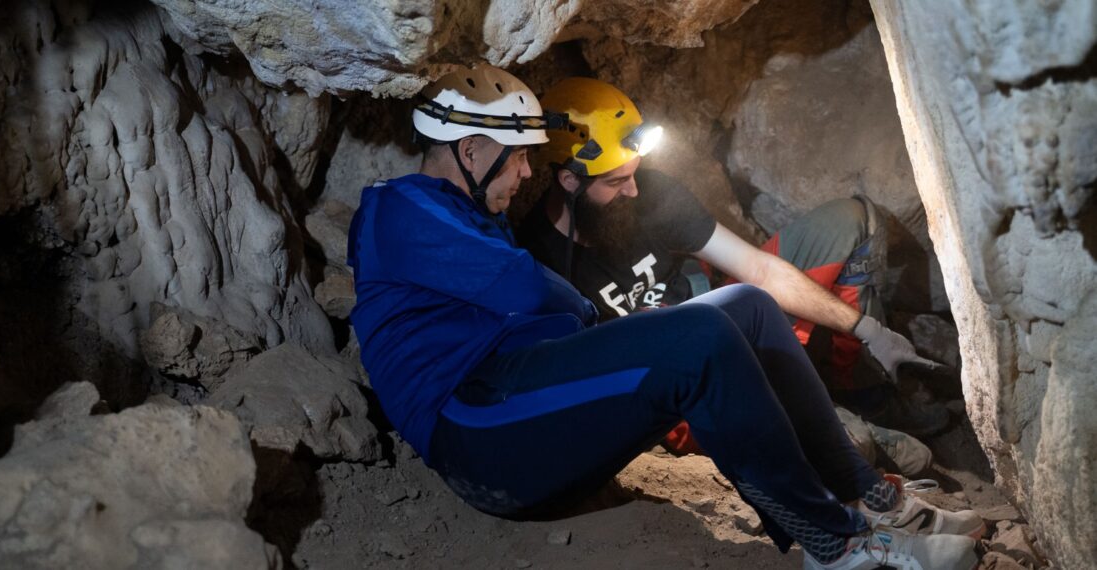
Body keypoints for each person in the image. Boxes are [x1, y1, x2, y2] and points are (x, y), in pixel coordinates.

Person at [347, 64, 981, 569]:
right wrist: (577, 316)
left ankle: (868, 495)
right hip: (477, 432)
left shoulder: (463, 219)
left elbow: (550, 308)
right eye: (517, 157)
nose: (524, 172)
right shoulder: (399, 205)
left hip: (515, 404)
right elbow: (540, 294)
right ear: (471, 149)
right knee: (701, 334)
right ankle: (838, 548)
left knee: (747, 305)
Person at [516, 77, 947, 462]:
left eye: (633, 173)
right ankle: (847, 429)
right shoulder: (541, 265)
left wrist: (865, 329)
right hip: (690, 386)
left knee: (854, 221)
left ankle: (864, 393)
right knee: (858, 452)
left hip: (732, 323)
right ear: (569, 181)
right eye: (614, 182)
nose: (632, 189)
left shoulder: (648, 192)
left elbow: (756, 269)